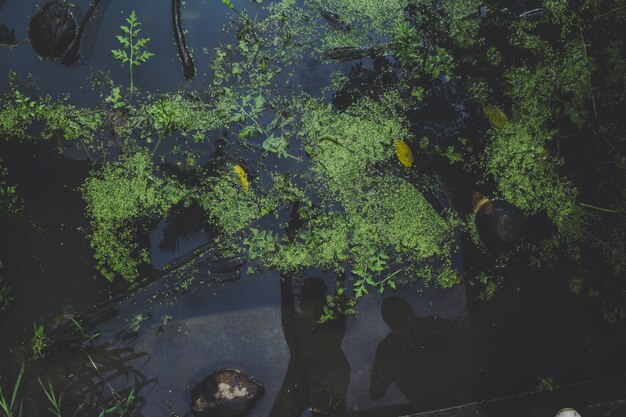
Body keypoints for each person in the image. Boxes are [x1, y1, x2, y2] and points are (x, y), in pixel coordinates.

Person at [369, 297, 477, 411]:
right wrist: (390, 370)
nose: (394, 317)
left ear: (409, 311)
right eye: (388, 315)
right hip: (423, 409)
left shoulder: (435, 325)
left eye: (397, 311)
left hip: (463, 400)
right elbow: (375, 392)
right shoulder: (386, 348)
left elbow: (470, 349)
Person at [269, 276, 350, 416]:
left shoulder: (328, 323)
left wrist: (285, 279)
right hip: (307, 380)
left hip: (322, 380)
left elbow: (286, 302)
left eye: (304, 297)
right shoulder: (299, 323)